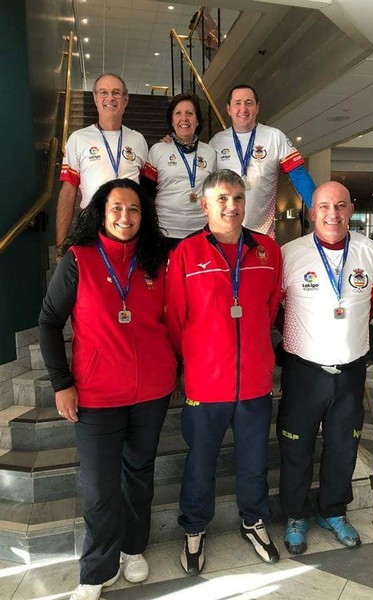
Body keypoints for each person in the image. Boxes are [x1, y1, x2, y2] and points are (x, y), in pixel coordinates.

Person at [39, 179, 176, 600]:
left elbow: (174, 319)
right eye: (116, 207)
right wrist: (62, 383)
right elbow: (49, 322)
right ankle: (96, 569)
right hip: (96, 395)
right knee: (100, 487)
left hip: (151, 392)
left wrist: (176, 366)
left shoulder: (156, 261)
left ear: (143, 216)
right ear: (100, 212)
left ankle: (133, 549)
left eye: (134, 209)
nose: (125, 216)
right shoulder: (79, 259)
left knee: (139, 475)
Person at [165, 169, 282, 575]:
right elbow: (175, 319)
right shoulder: (185, 253)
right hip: (205, 383)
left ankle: (254, 521)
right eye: (222, 199)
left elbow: (269, 308)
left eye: (238, 198)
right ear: (205, 205)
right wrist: (191, 362)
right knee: (200, 463)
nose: (231, 206)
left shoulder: (268, 251)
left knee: (254, 461)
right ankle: (194, 528)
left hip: (254, 381)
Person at [277, 181, 373, 555]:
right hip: (303, 371)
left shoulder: (371, 252)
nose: (333, 214)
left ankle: (333, 511)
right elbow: (276, 307)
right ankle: (295, 515)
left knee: (343, 446)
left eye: (341, 205)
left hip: (351, 370)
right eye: (324, 206)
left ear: (351, 209)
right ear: (312, 212)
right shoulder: (290, 254)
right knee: (296, 447)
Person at [56, 73, 148, 252]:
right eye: (103, 92)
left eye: (116, 93)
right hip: (92, 225)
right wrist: (61, 245)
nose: (110, 98)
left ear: (126, 99)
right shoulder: (78, 139)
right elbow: (68, 192)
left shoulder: (138, 140)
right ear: (95, 98)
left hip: (128, 224)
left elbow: (147, 189)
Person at [209, 84, 316, 238]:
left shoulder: (275, 137)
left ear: (257, 107)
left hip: (263, 235)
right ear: (228, 109)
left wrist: (317, 206)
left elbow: (299, 175)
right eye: (237, 103)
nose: (243, 109)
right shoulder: (216, 142)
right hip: (224, 234)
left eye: (249, 103)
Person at [142, 93, 216, 249]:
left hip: (200, 231)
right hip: (165, 231)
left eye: (190, 113)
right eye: (178, 113)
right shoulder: (158, 150)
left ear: (197, 120)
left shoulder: (209, 152)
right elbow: (147, 193)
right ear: (172, 120)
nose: (184, 118)